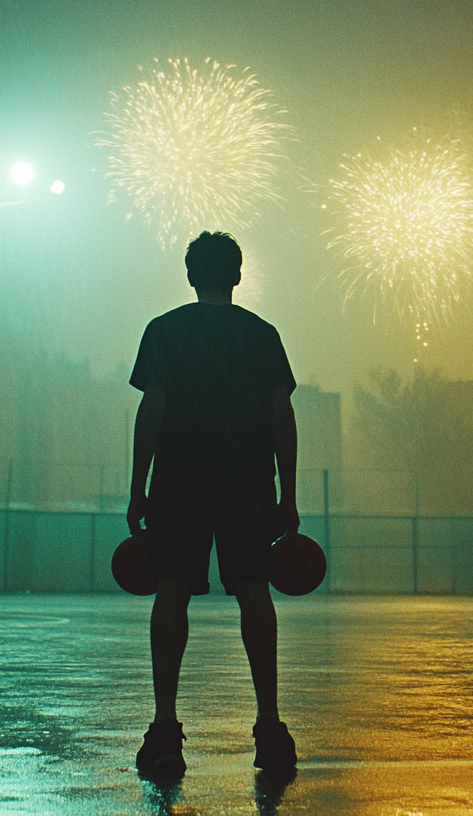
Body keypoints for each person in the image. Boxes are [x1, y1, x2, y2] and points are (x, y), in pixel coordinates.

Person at [127, 231, 300, 777]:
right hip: (246, 480)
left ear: (190, 276)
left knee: (172, 593)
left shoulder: (165, 331)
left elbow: (152, 409)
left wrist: (139, 486)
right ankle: (269, 731)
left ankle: (164, 734)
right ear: (238, 275)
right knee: (254, 595)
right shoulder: (262, 334)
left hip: (180, 479)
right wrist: (289, 494)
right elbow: (281, 416)